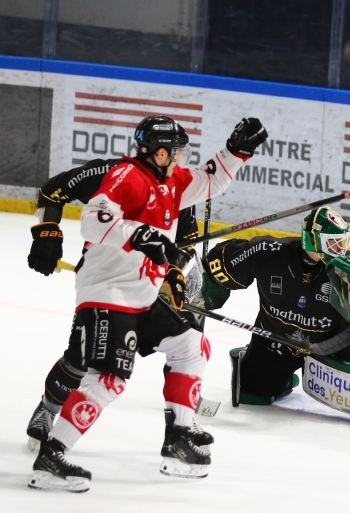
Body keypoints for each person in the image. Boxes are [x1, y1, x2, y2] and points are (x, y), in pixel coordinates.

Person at [27, 115, 266, 492]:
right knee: (109, 378)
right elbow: (94, 221)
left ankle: (179, 437)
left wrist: (237, 151)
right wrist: (140, 236)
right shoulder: (126, 176)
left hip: (140, 292)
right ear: (158, 152)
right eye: (176, 152)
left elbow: (211, 180)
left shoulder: (172, 182)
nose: (181, 157)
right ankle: (53, 453)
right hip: (109, 290)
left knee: (191, 346)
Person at [199, 206, 350, 431]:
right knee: (253, 396)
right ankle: (269, 370)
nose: (341, 249)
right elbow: (218, 264)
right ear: (312, 239)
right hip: (277, 342)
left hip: (332, 347)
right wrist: (204, 295)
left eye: (343, 242)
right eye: (333, 243)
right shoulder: (268, 252)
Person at [25, 158, 212, 454]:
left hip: (146, 287)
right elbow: (53, 191)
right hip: (106, 284)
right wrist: (47, 232)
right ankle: (48, 410)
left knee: (187, 343)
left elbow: (184, 244)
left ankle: (180, 424)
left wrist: (173, 273)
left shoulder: (179, 190)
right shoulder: (113, 174)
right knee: (83, 358)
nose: (175, 166)